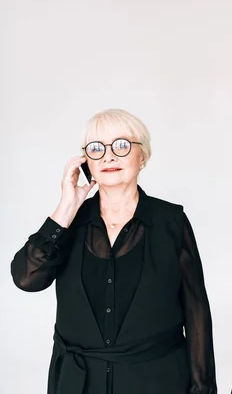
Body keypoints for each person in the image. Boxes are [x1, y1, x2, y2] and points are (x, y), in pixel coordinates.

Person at [11, 109, 217, 394]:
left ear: (142, 156)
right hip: (78, 384)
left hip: (156, 382)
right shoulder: (68, 222)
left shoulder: (171, 220)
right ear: (86, 163)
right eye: (96, 149)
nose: (108, 157)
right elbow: (26, 279)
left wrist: (202, 387)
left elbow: (196, 310)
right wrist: (66, 208)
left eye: (121, 145)